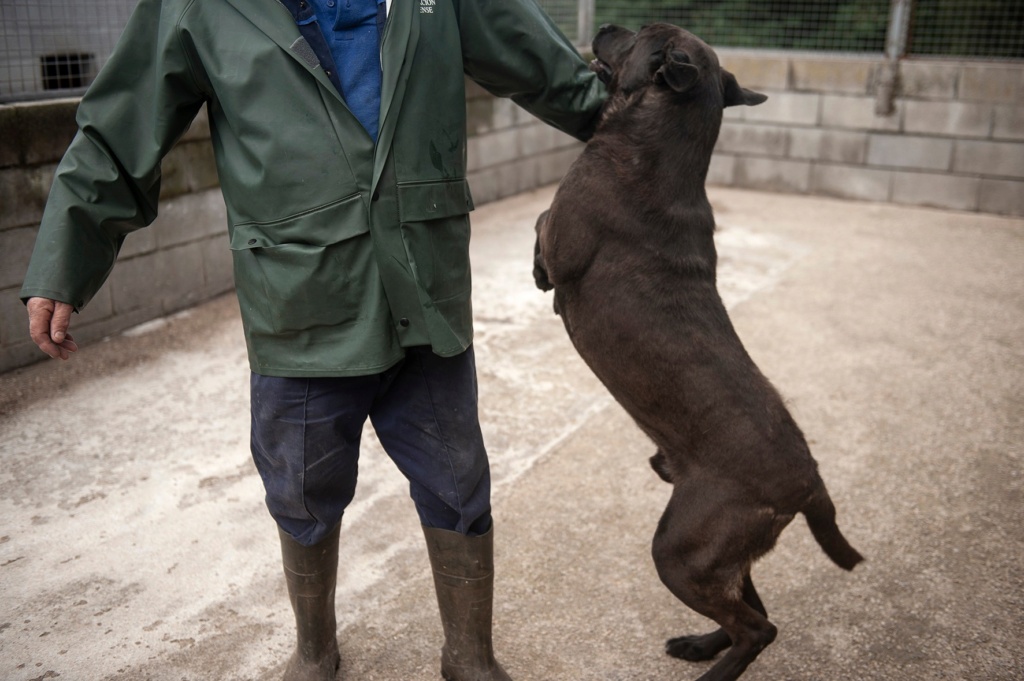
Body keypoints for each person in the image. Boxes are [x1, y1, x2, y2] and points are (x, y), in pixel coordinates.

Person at [21, 0, 605, 679]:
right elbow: (119, 131)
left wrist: (645, 122)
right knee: (300, 489)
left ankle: (469, 656)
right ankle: (315, 650)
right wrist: (66, 256)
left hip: (424, 294)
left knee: (458, 479)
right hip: (299, 303)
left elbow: (539, 60)